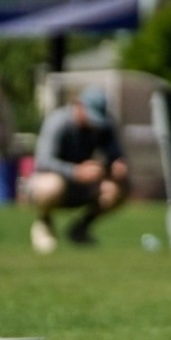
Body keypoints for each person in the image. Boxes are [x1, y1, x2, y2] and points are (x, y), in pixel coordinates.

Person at [24, 86, 128, 254]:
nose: (94, 122)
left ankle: (80, 229)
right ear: (78, 106)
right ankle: (44, 223)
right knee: (51, 186)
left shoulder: (103, 125)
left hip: (82, 185)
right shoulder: (58, 121)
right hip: (51, 182)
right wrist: (75, 171)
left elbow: (114, 154)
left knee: (117, 188)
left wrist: (116, 165)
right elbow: (43, 161)